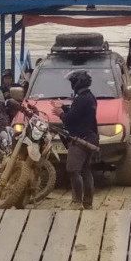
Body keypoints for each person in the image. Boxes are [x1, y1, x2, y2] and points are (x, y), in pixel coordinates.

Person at [51, 70, 99, 210]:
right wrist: (65, 108)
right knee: (85, 170)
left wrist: (61, 114)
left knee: (72, 169)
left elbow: (70, 119)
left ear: (77, 83)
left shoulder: (81, 99)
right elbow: (78, 114)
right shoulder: (89, 97)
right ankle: (88, 202)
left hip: (81, 139)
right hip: (91, 138)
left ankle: (77, 201)